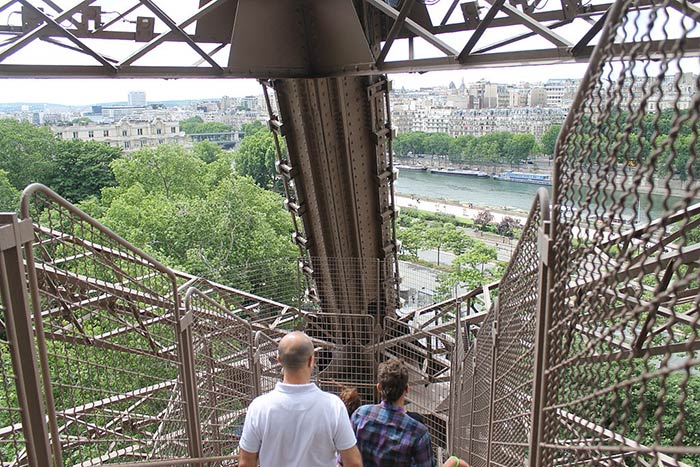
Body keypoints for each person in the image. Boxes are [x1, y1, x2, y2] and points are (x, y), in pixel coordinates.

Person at [239, 331, 363, 467]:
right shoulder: (333, 406)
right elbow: (353, 463)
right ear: (311, 360)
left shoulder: (258, 407)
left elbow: (245, 463)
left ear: (279, 360)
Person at [350, 358, 435, 467]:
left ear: (379, 387)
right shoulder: (418, 432)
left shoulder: (360, 415)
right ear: (407, 389)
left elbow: (344, 458)